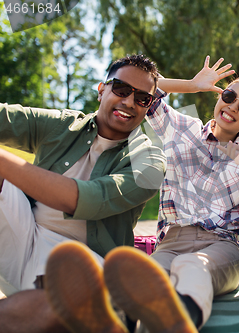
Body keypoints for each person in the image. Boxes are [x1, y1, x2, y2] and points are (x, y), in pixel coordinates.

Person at [43, 56, 239, 333]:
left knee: (192, 266)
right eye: (230, 95)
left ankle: (180, 320)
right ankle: (121, 321)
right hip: (171, 242)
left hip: (222, 247)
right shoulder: (184, 129)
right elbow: (144, 88)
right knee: (146, 276)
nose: (233, 107)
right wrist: (193, 85)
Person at [0, 54, 166, 333]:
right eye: (122, 90)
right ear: (102, 89)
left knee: (65, 305)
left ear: (148, 107)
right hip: (22, 237)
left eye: (142, 99)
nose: (129, 102)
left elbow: (86, 198)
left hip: (86, 263)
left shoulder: (150, 161)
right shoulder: (64, 126)